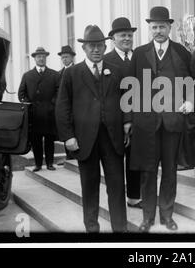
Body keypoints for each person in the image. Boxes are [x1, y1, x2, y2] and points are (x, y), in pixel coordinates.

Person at [127, 6, 195, 232]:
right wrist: (129, 119)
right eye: (154, 27)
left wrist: (190, 101)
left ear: (170, 28)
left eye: (162, 27)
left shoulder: (181, 52)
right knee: (148, 171)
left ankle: (167, 215)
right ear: (150, 28)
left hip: (172, 122)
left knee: (169, 171)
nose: (158, 31)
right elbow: (128, 88)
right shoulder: (139, 53)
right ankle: (148, 217)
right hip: (146, 124)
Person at [55, 25, 128, 233]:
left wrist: (127, 122)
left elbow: (127, 100)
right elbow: (62, 107)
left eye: (99, 46)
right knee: (89, 186)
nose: (95, 50)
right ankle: (92, 229)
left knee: (116, 186)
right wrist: (68, 137)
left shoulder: (117, 71)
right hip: (84, 140)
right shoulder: (72, 74)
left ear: (105, 47)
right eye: (91, 46)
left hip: (112, 138)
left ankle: (120, 229)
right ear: (84, 49)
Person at [105, 17, 142, 209]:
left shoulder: (140, 57)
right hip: (115, 120)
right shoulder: (106, 60)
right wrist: (124, 120)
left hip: (139, 119)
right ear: (113, 38)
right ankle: (117, 198)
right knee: (115, 162)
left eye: (129, 35)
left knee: (136, 160)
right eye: (122, 35)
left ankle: (134, 196)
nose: (127, 38)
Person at [18, 47, 59, 172]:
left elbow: (59, 92)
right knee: (36, 141)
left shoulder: (54, 74)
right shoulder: (27, 75)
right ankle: (38, 164)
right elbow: (21, 94)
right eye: (38, 56)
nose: (41, 58)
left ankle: (50, 163)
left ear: (46, 58)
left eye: (43, 56)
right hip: (34, 114)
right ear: (34, 58)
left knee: (49, 140)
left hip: (49, 113)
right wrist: (28, 104)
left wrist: (52, 104)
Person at [57, 45, 76, 161]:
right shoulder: (59, 74)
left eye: (67, 57)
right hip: (65, 108)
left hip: (76, 108)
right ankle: (68, 157)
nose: (64, 59)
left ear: (72, 57)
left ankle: (75, 156)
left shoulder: (77, 70)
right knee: (66, 131)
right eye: (63, 57)